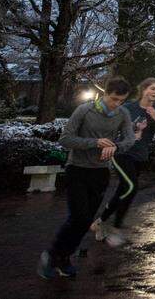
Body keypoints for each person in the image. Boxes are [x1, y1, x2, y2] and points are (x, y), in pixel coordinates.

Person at [38, 75, 135, 280]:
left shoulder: (122, 114)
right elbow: (65, 139)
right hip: (77, 170)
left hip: (100, 173)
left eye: (121, 101)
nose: (116, 105)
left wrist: (116, 146)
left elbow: (129, 139)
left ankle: (64, 258)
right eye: (113, 99)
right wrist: (95, 142)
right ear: (105, 93)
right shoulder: (85, 110)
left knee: (86, 221)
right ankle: (52, 254)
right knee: (79, 216)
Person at [92, 77, 155, 247]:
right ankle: (116, 227)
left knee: (124, 189)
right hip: (122, 152)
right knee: (131, 187)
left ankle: (100, 221)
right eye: (152, 88)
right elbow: (112, 127)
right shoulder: (128, 108)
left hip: (140, 156)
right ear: (143, 89)